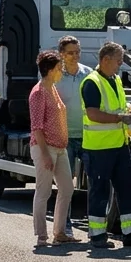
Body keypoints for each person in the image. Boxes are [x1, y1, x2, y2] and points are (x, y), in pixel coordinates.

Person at [81, 42, 131, 248]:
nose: (120, 64)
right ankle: (97, 236)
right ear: (105, 60)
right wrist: (121, 117)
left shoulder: (115, 79)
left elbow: (119, 105)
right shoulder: (92, 82)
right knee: (100, 191)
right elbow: (93, 113)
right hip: (99, 148)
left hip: (119, 145)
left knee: (127, 188)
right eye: (118, 61)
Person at [29, 50, 79, 247]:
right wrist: (44, 155)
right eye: (59, 68)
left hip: (60, 147)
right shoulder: (39, 93)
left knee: (67, 188)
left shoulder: (53, 88)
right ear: (49, 70)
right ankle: (42, 235)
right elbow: (37, 127)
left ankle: (60, 232)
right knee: (43, 192)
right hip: (45, 148)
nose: (62, 72)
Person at [55, 36, 92, 182]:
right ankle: (66, 206)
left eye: (78, 52)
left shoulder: (89, 74)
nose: (75, 56)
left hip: (87, 135)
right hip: (65, 137)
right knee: (65, 182)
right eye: (71, 53)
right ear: (61, 54)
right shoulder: (55, 76)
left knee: (94, 180)